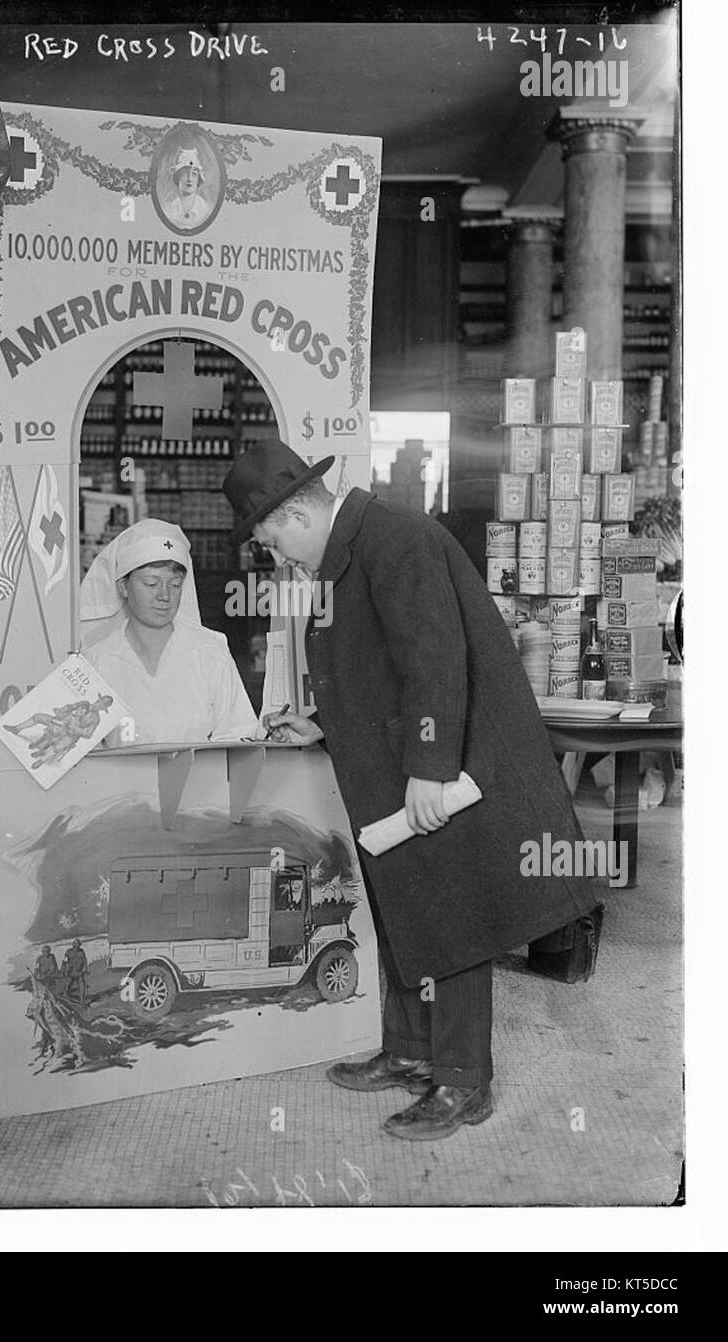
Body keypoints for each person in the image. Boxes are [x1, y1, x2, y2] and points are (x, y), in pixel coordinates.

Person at [222, 439, 599, 1142]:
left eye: (271, 535)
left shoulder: (394, 539)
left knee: (452, 917)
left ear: (296, 508)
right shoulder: (353, 547)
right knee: (406, 908)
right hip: (400, 765)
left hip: (438, 769)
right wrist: (322, 724)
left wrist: (430, 766)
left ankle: (462, 1082)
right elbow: (378, 669)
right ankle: (410, 1050)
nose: (275, 553)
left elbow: (434, 659)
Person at [80, 519, 257, 745]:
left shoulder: (210, 653)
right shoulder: (96, 662)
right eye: (151, 584)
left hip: (198, 779)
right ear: (123, 586)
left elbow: (238, 735)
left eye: (174, 585)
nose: (164, 595)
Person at [166, 148, 211, 230]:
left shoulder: (204, 209)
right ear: (178, 177)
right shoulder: (171, 208)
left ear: (198, 179)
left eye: (194, 174)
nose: (189, 179)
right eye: (185, 173)